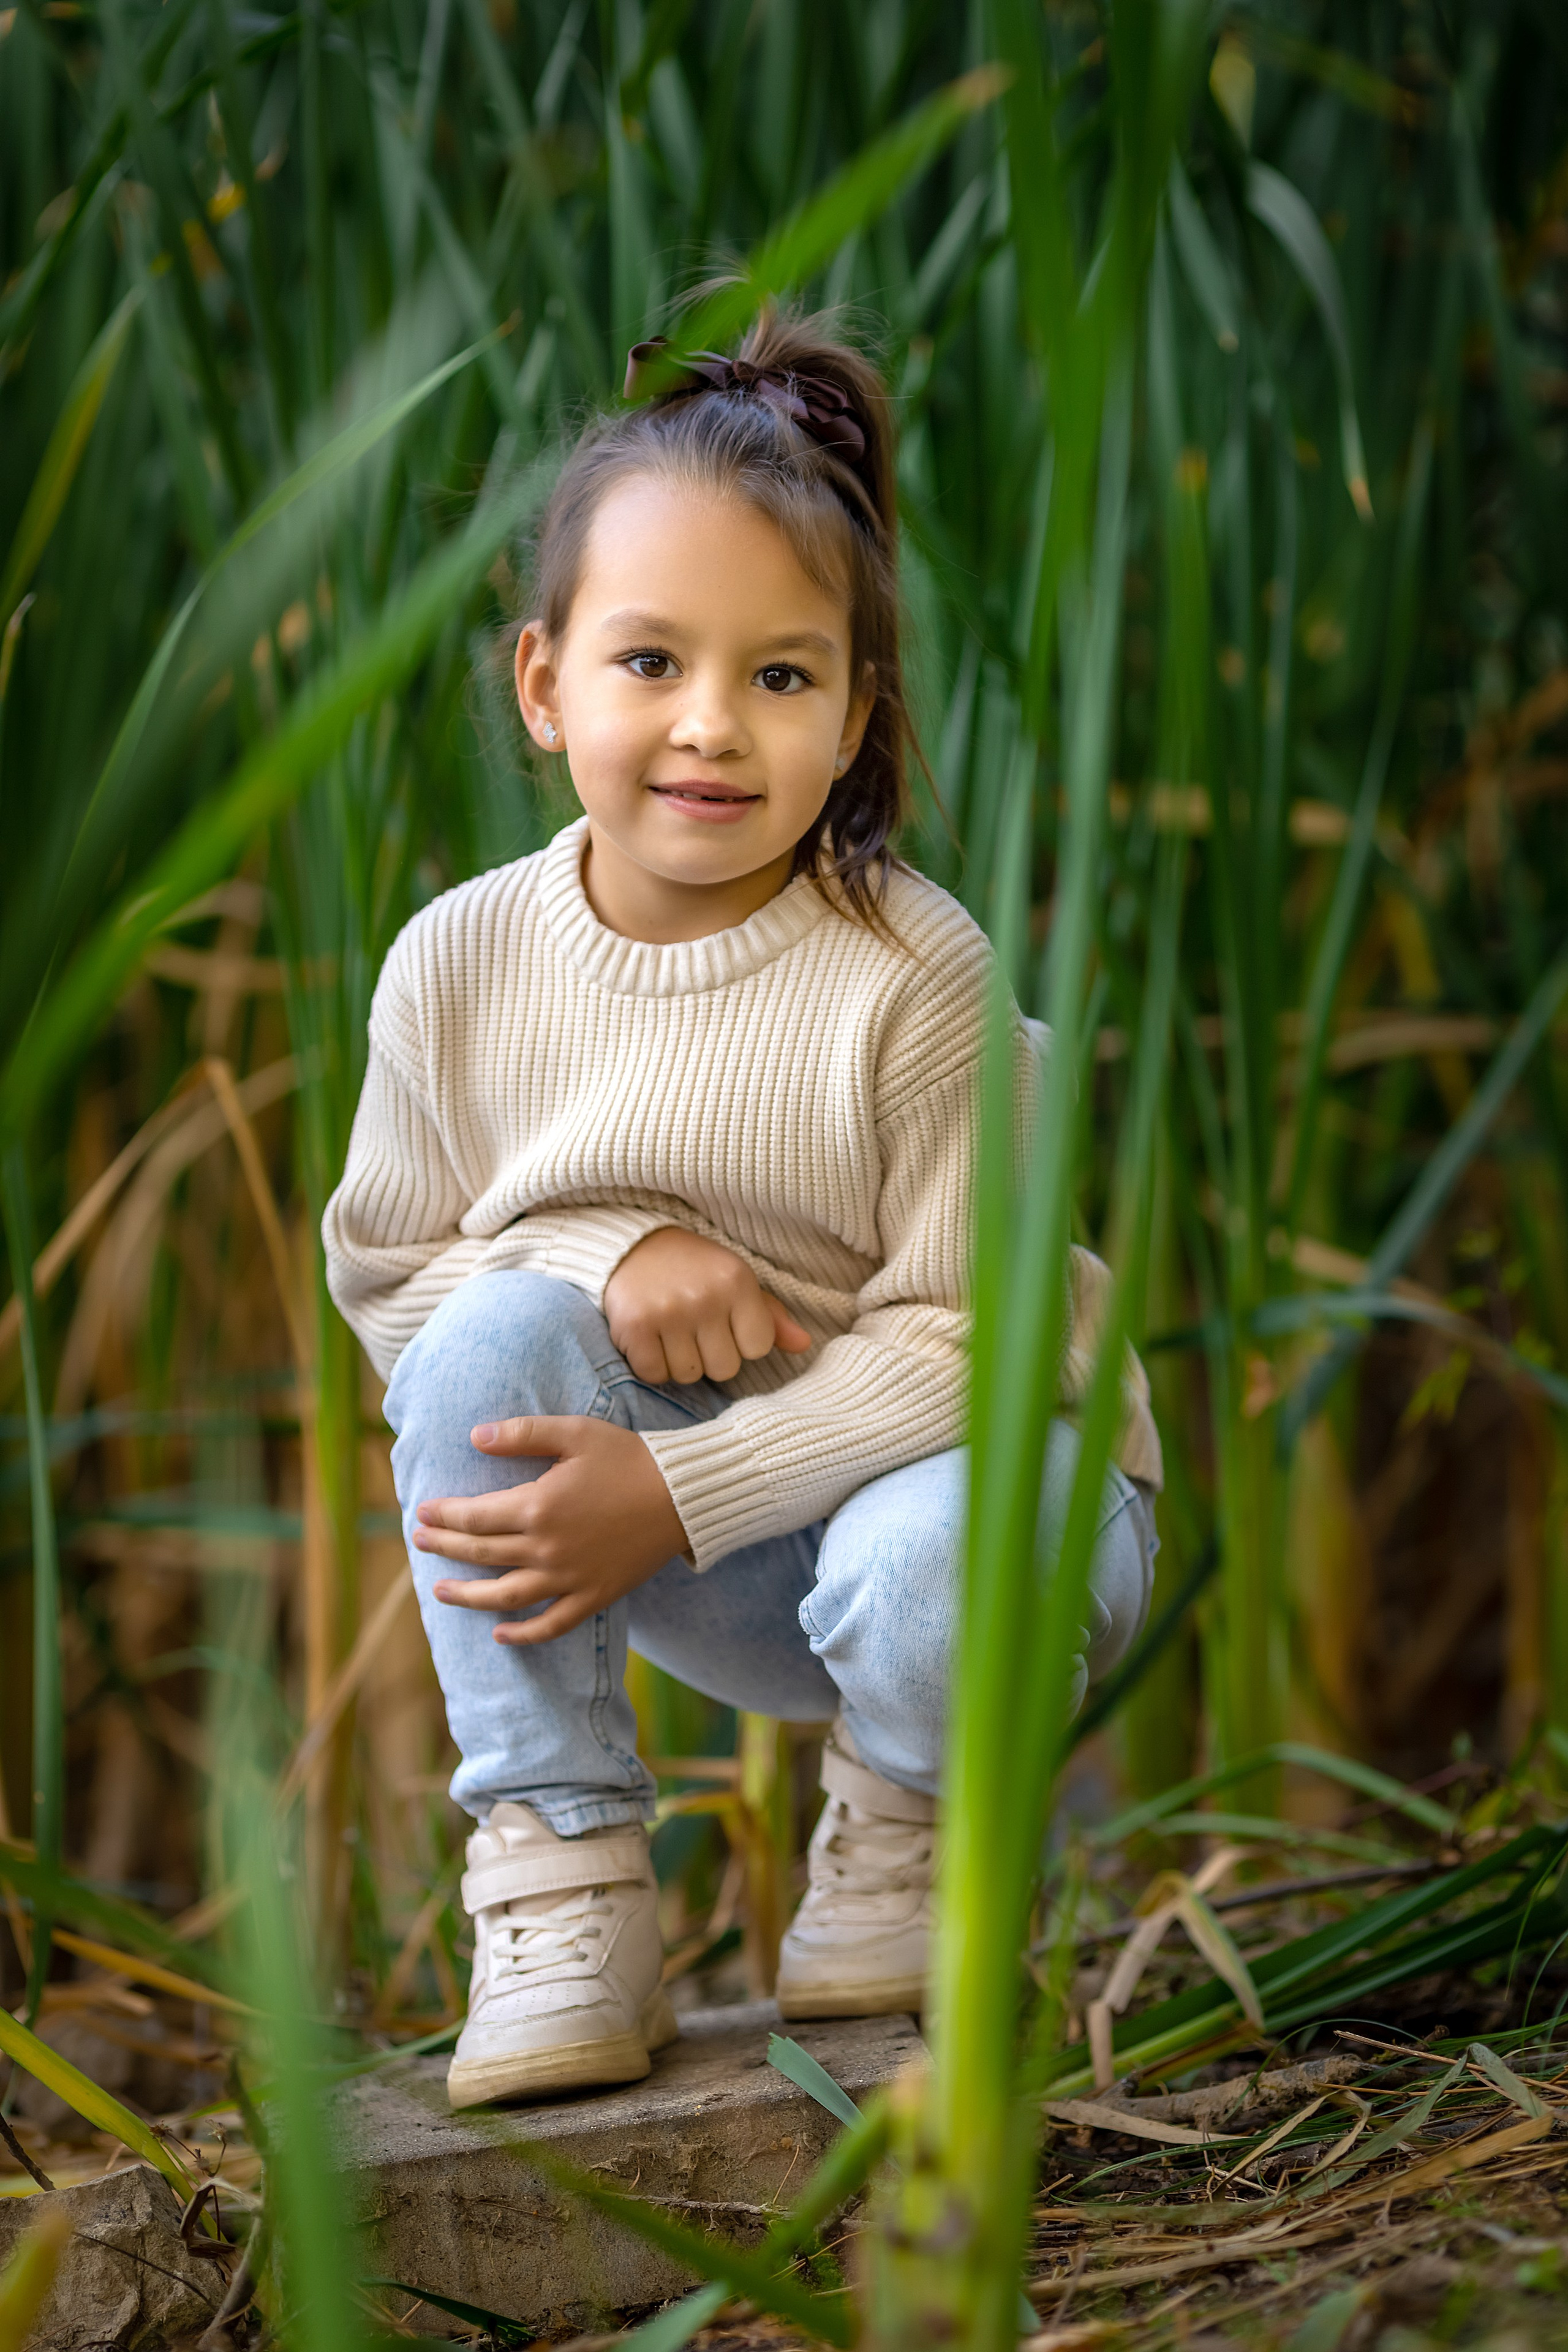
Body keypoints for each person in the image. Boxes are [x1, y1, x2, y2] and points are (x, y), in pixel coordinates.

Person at [322, 314, 1163, 2113]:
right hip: (704, 1565)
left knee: (930, 1565)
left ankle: (907, 1822)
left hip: (986, 1517)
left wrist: (677, 1490)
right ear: (545, 683)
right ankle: (562, 1882)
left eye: (782, 676)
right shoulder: (457, 965)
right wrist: (605, 1252)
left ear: (851, 718)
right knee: (485, 1342)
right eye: (650, 660)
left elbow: (980, 1338)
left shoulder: (915, 975)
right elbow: (386, 1268)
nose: (711, 725)